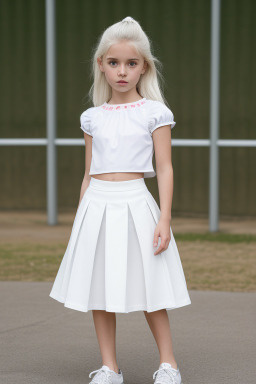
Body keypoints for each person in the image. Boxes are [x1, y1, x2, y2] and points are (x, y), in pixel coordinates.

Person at [49, 16, 191, 384]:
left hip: (136, 205)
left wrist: (165, 219)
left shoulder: (154, 113)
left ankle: (168, 363)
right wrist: (81, 219)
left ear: (144, 66)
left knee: (149, 287)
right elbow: (88, 172)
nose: (122, 72)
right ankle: (110, 367)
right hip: (96, 204)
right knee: (99, 288)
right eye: (114, 63)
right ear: (101, 65)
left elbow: (165, 168)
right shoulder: (91, 118)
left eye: (131, 63)